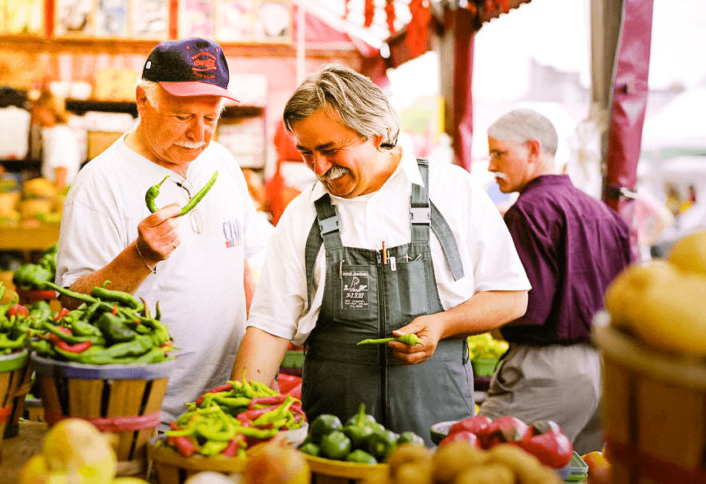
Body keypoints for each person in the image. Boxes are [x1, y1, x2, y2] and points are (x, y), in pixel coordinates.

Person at [231, 64, 531, 442]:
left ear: (377, 133)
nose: (319, 168)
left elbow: (511, 297)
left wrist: (443, 324)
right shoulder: (303, 213)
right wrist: (239, 421)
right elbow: (268, 327)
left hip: (438, 433)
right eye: (306, 153)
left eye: (330, 149)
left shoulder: (452, 190)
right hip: (335, 440)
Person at [56, 38, 271, 426]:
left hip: (227, 407)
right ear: (142, 100)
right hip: (147, 411)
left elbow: (243, 266)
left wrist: (257, 376)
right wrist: (138, 258)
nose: (198, 134)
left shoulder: (222, 162)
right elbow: (72, 304)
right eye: (182, 116)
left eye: (211, 118)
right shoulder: (99, 183)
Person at [479, 108, 634, 454]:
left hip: (545, 370)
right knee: (578, 470)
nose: (491, 166)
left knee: (487, 464)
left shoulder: (528, 211)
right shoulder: (603, 214)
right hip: (603, 369)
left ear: (533, 150)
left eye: (498, 153)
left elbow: (526, 308)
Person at [30, 89, 82, 188]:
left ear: (45, 109)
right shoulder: (55, 132)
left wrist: (56, 197)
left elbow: (62, 169)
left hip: (58, 189)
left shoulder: (59, 134)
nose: (33, 113)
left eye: (35, 109)